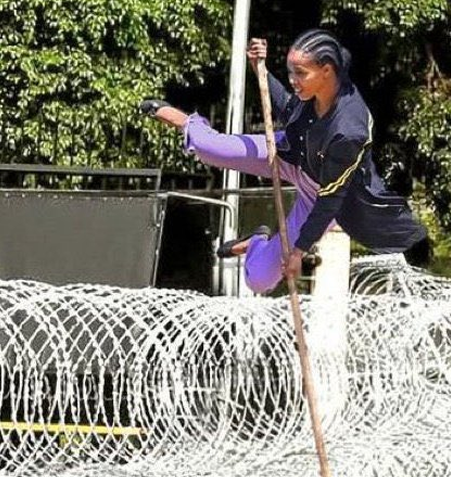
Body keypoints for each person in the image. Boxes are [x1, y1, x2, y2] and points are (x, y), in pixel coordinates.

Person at [140, 29, 427, 293]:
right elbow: (284, 106)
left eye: (300, 73)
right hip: (285, 155)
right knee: (208, 147)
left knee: (260, 279)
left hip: (320, 200)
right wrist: (259, 67)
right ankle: (184, 120)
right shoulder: (315, 96)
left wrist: (299, 252)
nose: (294, 80)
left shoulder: (349, 131)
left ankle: (254, 244)